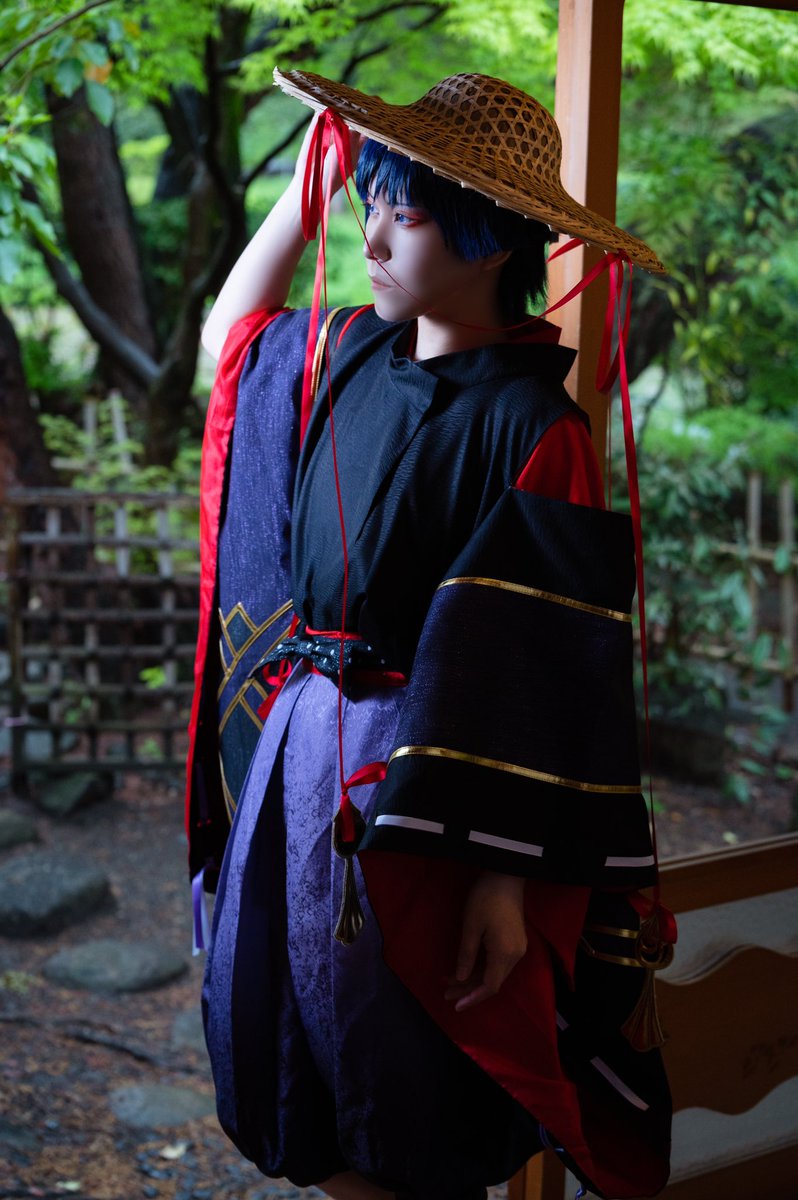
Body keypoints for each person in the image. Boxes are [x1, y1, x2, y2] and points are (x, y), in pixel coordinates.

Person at [187, 70, 673, 1200]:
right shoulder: (348, 346)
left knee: (405, 1062)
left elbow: (545, 669)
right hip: (300, 738)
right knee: (294, 1044)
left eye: (401, 213)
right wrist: (308, 188)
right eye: (369, 203)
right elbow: (232, 337)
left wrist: (504, 883)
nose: (370, 235)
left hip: (434, 777)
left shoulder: (537, 424)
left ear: (488, 235)